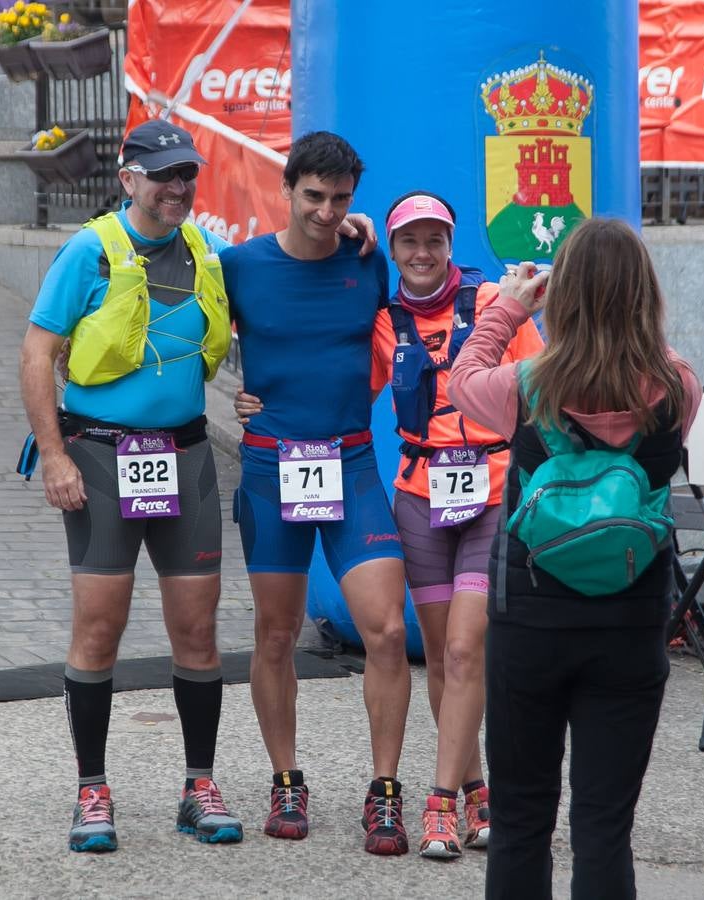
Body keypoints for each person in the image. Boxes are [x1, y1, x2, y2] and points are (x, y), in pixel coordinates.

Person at [236, 191, 544, 860]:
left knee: (464, 650)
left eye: (435, 240)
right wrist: (256, 397)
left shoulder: (498, 304)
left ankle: (436, 799)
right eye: (410, 242)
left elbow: (541, 387)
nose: (423, 253)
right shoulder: (386, 320)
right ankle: (472, 791)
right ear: (394, 249)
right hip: (420, 495)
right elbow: (337, 379)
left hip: (490, 493)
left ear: (451, 243)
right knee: (439, 655)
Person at [447, 219, 702, 899]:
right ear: (643, 296)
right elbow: (654, 373)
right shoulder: (677, 386)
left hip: (530, 621)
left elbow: (461, 377)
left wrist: (509, 305)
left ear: (565, 297)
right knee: (604, 827)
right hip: (630, 620)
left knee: (523, 818)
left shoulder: (526, 386)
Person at [19, 119, 244, 853]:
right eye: (163, 175)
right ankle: (92, 789)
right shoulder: (90, 249)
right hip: (100, 459)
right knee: (99, 627)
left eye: (188, 175)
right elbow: (36, 352)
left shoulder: (205, 248)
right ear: (128, 180)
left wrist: (356, 228)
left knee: (198, 630)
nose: (178, 188)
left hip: (185, 458)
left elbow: (287, 261)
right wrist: (53, 455)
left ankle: (199, 784)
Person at [221, 131, 414, 856]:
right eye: (315, 196)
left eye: (340, 199)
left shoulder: (368, 262)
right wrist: (226, 392)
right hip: (273, 469)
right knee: (275, 635)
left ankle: (385, 792)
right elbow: (194, 340)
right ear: (287, 188)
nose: (328, 212)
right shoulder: (240, 266)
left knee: (387, 631)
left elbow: (421, 309)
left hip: (352, 462)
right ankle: (285, 780)